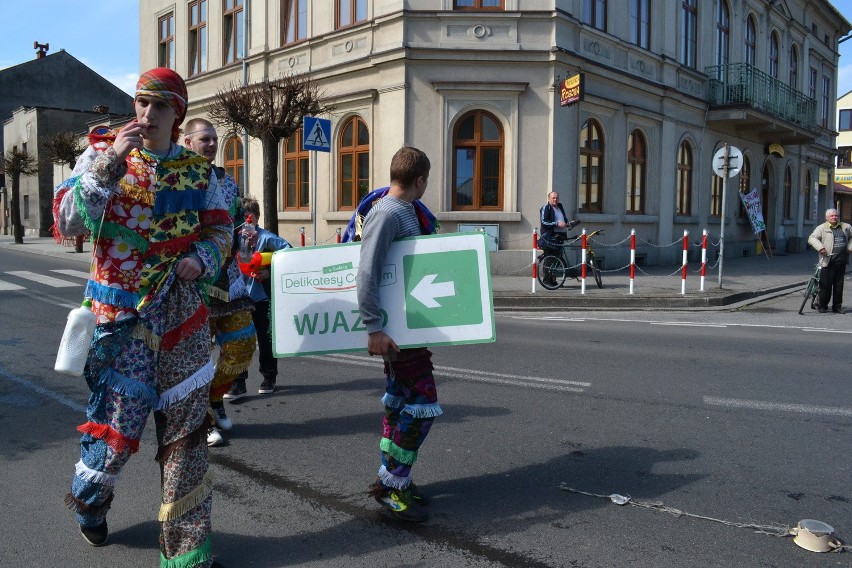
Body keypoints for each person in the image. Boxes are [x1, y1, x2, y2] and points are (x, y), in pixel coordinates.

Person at [54, 68, 232, 567]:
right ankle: (90, 503)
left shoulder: (203, 175)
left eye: (158, 106)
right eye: (140, 103)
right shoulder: (102, 154)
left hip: (181, 319)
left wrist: (202, 258)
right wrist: (110, 160)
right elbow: (67, 222)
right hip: (122, 319)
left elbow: (221, 233)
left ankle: (187, 551)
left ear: (177, 114)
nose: (146, 115)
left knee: (187, 441)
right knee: (116, 433)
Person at [358, 146, 439, 523]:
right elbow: (367, 272)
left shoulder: (403, 210)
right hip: (392, 331)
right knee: (421, 406)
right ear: (419, 180)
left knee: (399, 402)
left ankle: (394, 481)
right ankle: (391, 482)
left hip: (406, 329)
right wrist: (374, 328)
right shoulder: (388, 212)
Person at [183, 118, 257, 447]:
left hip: (228, 277)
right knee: (196, 357)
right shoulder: (176, 180)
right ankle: (202, 420)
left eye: (214, 139)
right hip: (190, 280)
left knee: (242, 346)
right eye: (204, 139)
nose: (212, 144)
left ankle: (214, 399)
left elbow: (238, 225)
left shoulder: (228, 182)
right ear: (187, 142)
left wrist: (247, 240)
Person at [223, 196, 291, 399]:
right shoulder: (233, 238)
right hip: (238, 298)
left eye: (249, 218)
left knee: (265, 339)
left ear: (256, 218)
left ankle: (269, 377)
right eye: (242, 219)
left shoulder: (266, 238)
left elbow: (290, 255)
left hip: (261, 298)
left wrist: (270, 270)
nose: (245, 223)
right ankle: (238, 382)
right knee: (238, 339)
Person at [807, 208, 852, 314]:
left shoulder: (846, 227)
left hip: (841, 261)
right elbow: (812, 238)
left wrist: (850, 247)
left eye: (836, 215)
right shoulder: (821, 228)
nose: (834, 217)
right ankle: (823, 306)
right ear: (827, 217)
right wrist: (821, 248)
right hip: (827, 261)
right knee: (825, 285)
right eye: (831, 216)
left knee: (838, 285)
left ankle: (837, 306)